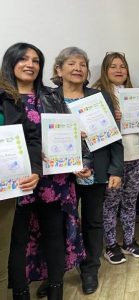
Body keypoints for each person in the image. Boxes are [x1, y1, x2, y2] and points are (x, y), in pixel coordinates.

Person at [2, 43, 88, 300]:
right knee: (18, 239)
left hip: (53, 179)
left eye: (36, 60)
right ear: (11, 62)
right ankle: (20, 293)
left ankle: (55, 290)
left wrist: (78, 157)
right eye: (24, 59)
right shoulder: (2, 96)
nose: (30, 64)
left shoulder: (52, 95)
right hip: (17, 180)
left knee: (54, 235)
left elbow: (66, 133)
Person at [49, 47, 124, 295]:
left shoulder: (98, 97)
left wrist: (116, 170)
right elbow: (42, 137)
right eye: (71, 63)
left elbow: (114, 136)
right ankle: (55, 274)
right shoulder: (48, 98)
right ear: (59, 70)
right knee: (58, 225)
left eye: (82, 64)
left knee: (93, 221)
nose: (78, 68)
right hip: (60, 175)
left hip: (96, 170)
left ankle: (90, 269)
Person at [92, 52, 139, 264]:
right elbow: (92, 129)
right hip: (112, 161)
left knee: (129, 201)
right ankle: (110, 245)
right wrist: (110, 117)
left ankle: (128, 241)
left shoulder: (134, 93)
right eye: (113, 66)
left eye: (122, 66)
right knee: (110, 204)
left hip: (136, 154)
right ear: (105, 71)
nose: (119, 70)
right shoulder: (98, 95)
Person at [0, 63, 41, 300]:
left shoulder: (9, 98)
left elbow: (31, 137)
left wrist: (35, 168)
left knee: (3, 252)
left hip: (7, 191)